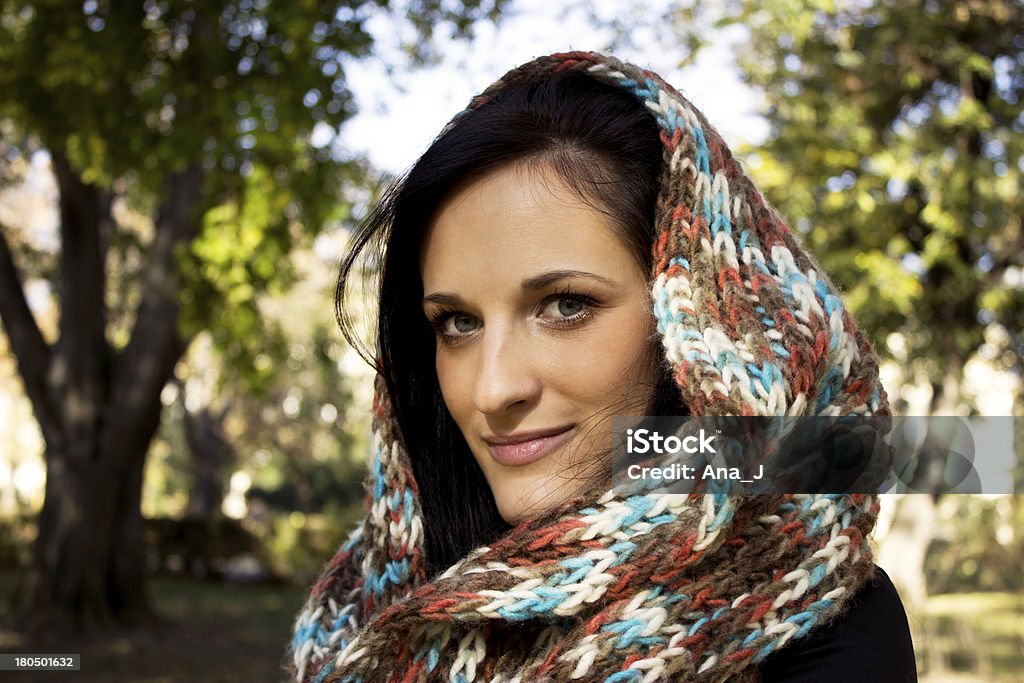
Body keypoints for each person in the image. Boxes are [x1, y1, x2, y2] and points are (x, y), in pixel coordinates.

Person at [287, 51, 917, 682]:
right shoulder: (363, 604)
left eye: (565, 306)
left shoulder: (816, 629)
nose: (493, 388)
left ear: (696, 327)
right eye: (458, 322)